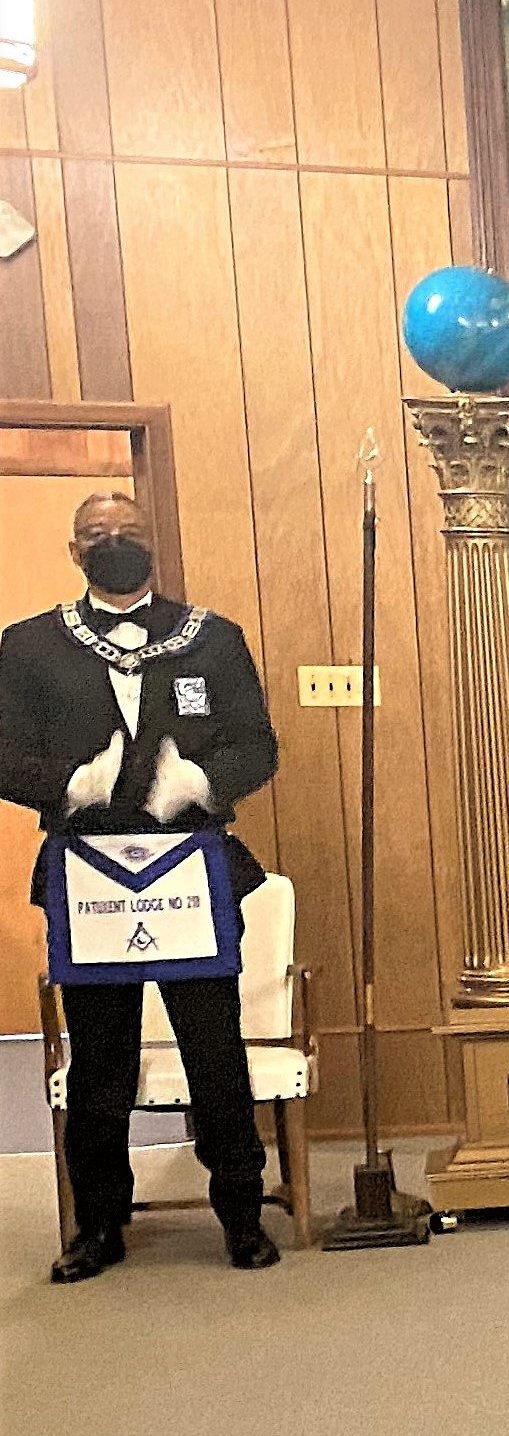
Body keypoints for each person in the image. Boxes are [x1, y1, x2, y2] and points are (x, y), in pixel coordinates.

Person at [0, 492, 281, 1279]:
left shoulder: (213, 638)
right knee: (99, 1063)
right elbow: (2, 752)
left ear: (152, 544)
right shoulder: (28, 646)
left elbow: (257, 744)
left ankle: (242, 1215)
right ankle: (98, 1226)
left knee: (215, 1053)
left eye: (127, 531)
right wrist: (68, 785)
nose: (114, 542)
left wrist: (202, 781)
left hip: (189, 866)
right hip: (87, 872)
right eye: (97, 534)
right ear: (74, 550)